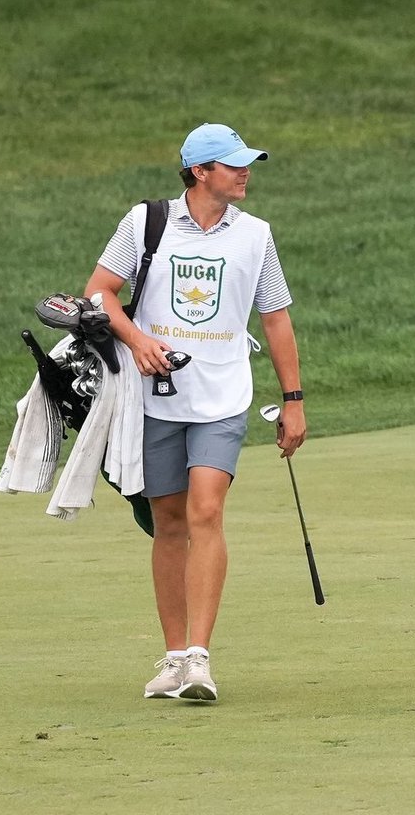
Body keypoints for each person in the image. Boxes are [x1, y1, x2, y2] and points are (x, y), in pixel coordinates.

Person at [84, 122, 307, 703]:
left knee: (206, 509)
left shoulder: (256, 235)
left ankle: (201, 659)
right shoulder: (146, 222)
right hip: (155, 398)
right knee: (168, 520)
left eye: (246, 163)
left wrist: (293, 400)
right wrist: (136, 341)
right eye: (233, 165)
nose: (245, 172)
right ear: (200, 171)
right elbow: (100, 291)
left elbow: (275, 315)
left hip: (224, 396)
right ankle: (175, 656)